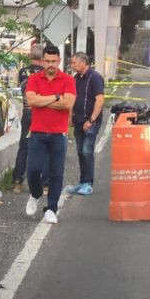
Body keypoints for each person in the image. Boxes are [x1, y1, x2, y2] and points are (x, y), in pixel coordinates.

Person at [24, 45, 76, 224]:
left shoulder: (68, 80)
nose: (51, 64)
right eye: (47, 61)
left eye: (54, 61)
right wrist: (55, 97)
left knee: (56, 173)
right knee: (33, 169)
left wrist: (42, 101)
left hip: (58, 133)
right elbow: (31, 100)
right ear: (42, 61)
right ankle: (36, 194)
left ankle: (51, 209)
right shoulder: (34, 79)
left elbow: (67, 104)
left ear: (59, 61)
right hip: (38, 132)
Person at [66, 52, 104, 196]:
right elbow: (73, 98)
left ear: (83, 62)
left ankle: (88, 183)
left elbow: (99, 100)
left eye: (74, 62)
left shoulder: (95, 78)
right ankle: (82, 181)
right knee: (80, 151)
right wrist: (70, 116)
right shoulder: (76, 79)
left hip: (90, 121)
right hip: (78, 121)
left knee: (87, 150)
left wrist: (91, 120)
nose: (72, 65)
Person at [12, 45, 49, 193]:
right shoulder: (47, 73)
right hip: (43, 114)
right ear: (43, 58)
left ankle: (17, 181)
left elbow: (21, 88)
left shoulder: (22, 72)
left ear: (30, 56)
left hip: (27, 113)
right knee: (46, 148)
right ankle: (45, 184)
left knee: (24, 147)